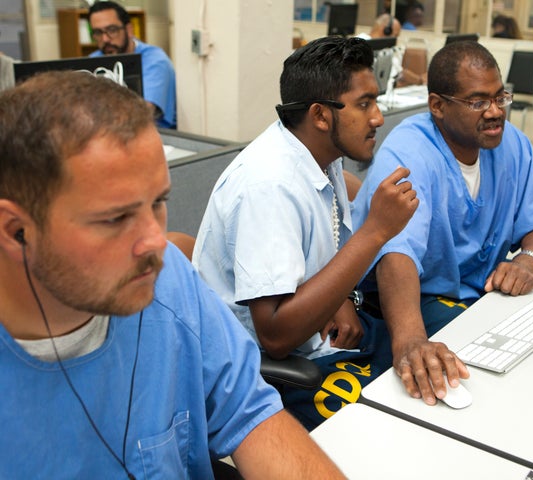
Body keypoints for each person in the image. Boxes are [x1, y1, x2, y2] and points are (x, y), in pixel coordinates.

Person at [0, 71, 344, 479]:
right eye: (115, 218)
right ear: (16, 231)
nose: (155, 241)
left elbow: (251, 416)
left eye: (158, 202)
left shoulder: (165, 279)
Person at [193, 36, 418, 429]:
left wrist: (340, 297)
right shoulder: (268, 186)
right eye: (364, 104)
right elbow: (276, 336)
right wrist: (375, 232)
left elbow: (321, 237)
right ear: (320, 115)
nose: (378, 118)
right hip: (267, 375)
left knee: (422, 360)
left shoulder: (317, 154)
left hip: (317, 340)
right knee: (398, 423)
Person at [351, 41, 533, 406]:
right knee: (480, 386)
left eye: (501, 97)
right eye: (478, 102)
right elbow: (396, 253)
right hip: (413, 299)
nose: (496, 112)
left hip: (478, 297)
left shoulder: (510, 143)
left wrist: (527, 260)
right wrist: (409, 340)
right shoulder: (409, 152)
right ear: (437, 106)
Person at [88, 1, 177, 129]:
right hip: (109, 134)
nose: (105, 39)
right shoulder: (94, 60)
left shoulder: (154, 60)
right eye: (98, 33)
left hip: (155, 135)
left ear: (129, 30)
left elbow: (142, 114)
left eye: (112, 30)